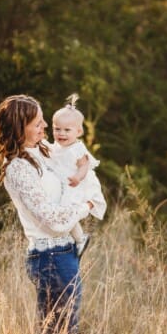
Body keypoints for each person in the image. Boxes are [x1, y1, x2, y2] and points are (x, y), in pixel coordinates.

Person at [0, 94, 94, 334]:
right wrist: (86, 206)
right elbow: (53, 221)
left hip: (64, 253)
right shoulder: (17, 167)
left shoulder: (41, 150)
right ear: (20, 127)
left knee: (63, 332)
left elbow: (75, 162)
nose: (45, 126)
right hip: (51, 258)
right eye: (38, 123)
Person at [48, 93, 107, 257]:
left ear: (79, 131)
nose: (62, 134)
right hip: (64, 185)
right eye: (57, 129)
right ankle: (76, 240)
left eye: (67, 130)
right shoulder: (56, 146)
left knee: (68, 212)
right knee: (61, 213)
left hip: (76, 184)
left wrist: (78, 177)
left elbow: (84, 165)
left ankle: (80, 239)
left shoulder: (77, 148)